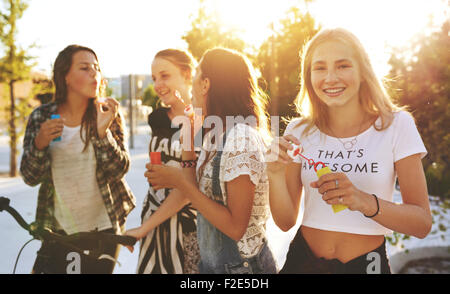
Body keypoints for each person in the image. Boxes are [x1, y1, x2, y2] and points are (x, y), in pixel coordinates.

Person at [267, 28, 432, 274]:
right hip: (302, 262)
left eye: (343, 66)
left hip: (367, 266)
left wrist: (363, 201)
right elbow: (284, 222)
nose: (330, 78)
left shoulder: (397, 125)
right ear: (309, 75)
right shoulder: (298, 130)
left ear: (363, 71)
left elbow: (422, 223)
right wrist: (275, 174)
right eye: (320, 67)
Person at [146, 48, 277, 274]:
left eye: (196, 77)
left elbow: (236, 228)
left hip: (241, 269)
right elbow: (196, 190)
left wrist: (179, 181)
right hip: (214, 266)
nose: (192, 90)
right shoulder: (215, 135)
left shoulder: (240, 139)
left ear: (206, 84)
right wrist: (188, 140)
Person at [20, 45, 135, 274]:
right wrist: (40, 143)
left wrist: (104, 135)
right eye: (84, 68)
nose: (94, 73)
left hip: (105, 228)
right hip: (57, 230)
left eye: (96, 68)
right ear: (65, 77)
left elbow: (119, 169)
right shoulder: (41, 117)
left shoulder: (106, 112)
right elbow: (30, 177)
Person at [125, 49, 200, 274]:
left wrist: (143, 228)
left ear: (187, 75)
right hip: (155, 222)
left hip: (190, 229)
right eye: (154, 77)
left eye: (165, 76)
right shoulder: (157, 118)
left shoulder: (203, 119)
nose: (157, 84)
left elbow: (189, 188)